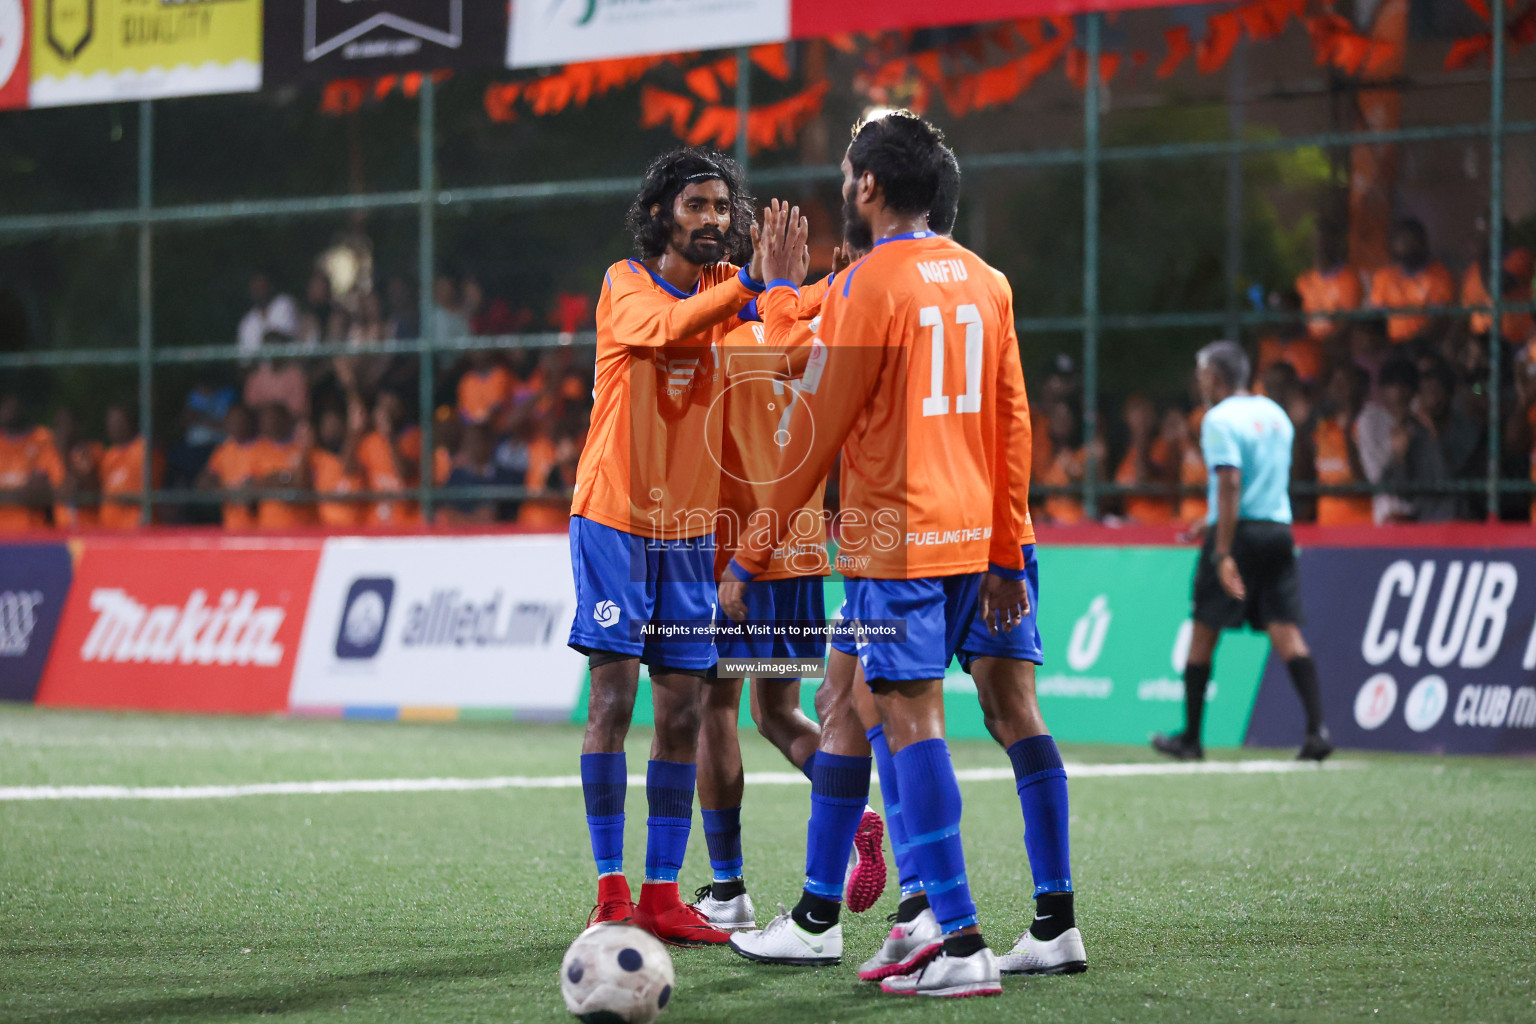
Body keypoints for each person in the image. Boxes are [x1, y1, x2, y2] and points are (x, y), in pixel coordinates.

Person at [723, 111, 1034, 998]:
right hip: (970, 535)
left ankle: (958, 932)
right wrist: (1009, 549)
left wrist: (749, 559)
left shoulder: (870, 283)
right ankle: (840, 915)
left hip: (895, 537)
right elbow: (1013, 422)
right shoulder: (986, 281)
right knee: (848, 698)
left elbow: (809, 429)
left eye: (847, 172)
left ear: (868, 186)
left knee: (908, 717)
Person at [568, 146, 768, 947]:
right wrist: (756, 291)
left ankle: (662, 893)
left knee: (683, 711)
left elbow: (783, 334)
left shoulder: (729, 289)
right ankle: (612, 889)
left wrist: (830, 288)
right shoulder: (625, 285)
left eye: (723, 208)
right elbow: (668, 329)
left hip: (688, 533)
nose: (715, 221)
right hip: (614, 518)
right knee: (614, 700)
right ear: (660, 214)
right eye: (699, 207)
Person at [690, 204, 886, 935]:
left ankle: (727, 886)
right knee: (776, 711)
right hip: (804, 552)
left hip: (737, 556)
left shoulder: (712, 333)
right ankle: (855, 810)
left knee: (716, 710)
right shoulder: (809, 317)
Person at [1153, 342, 1331, 763]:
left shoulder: (1218, 420)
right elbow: (1260, 485)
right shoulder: (1276, 415)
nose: (1200, 386)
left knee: (1203, 630)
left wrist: (1222, 549)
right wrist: (1212, 520)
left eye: (1202, 377)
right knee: (1285, 629)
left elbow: (1231, 483)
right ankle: (1317, 729)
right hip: (1278, 529)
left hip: (1240, 536)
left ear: (1214, 376)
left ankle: (1192, 738)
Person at [1368, 218, 1455, 349]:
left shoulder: (1438, 275)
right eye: (1402, 241)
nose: (1408, 246)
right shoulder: (1384, 276)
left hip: (1426, 346)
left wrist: (1414, 346)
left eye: (1414, 241)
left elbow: (1439, 321)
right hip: (1390, 347)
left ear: (1423, 243)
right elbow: (1376, 319)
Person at [1313, 363, 1374, 526]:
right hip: (1326, 526)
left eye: (1346, 382)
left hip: (1361, 526)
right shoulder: (1322, 429)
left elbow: (1366, 481)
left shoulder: (1369, 426)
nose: (1339, 388)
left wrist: (1347, 435)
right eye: (1335, 382)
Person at [1294, 218, 1363, 353]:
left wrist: (1325, 350)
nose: (1321, 245)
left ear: (1336, 243)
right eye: (1317, 240)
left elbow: (1347, 324)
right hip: (1308, 349)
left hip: (1337, 350)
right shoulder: (1303, 280)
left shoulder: (1350, 279)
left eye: (1326, 240)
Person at [98, 405, 161, 530]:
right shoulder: (109, 455)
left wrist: (123, 496)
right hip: (109, 530)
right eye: (110, 422)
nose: (113, 426)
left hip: (136, 530)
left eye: (118, 421)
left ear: (130, 422)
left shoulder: (144, 449)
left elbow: (149, 492)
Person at [249, 403, 310, 529]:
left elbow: (302, 486)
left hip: (300, 526)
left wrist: (272, 479)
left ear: (286, 419)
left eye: (275, 418)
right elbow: (252, 486)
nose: (271, 423)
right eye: (267, 419)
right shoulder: (257, 450)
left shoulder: (302, 448)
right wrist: (286, 478)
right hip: (268, 527)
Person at [201, 405, 260, 530]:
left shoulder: (263, 448)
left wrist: (250, 489)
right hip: (231, 527)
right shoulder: (223, 450)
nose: (237, 425)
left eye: (241, 420)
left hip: (260, 528)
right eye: (233, 421)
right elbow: (204, 482)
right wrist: (226, 491)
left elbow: (266, 483)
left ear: (251, 422)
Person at [0, 396, 53, 531]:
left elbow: (37, 492)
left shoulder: (42, 438)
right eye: (5, 404)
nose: (9, 409)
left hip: (33, 532)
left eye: (13, 404)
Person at [308, 404, 364, 530]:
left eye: (334, 424)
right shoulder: (316, 457)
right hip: (324, 530)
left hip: (356, 530)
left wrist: (354, 431)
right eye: (326, 425)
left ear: (344, 426)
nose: (331, 429)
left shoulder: (358, 452)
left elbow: (347, 466)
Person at [237, 273, 300, 358]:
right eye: (255, 288)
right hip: (261, 368)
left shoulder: (284, 304)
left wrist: (272, 338)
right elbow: (245, 361)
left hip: (288, 363)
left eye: (262, 286)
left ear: (269, 286)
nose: (259, 291)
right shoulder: (246, 323)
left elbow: (289, 336)